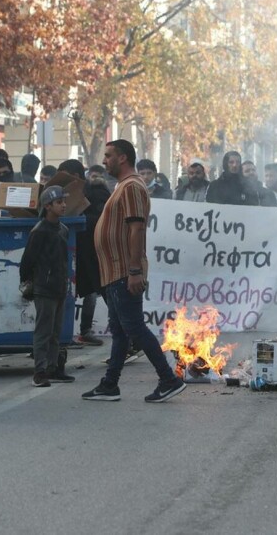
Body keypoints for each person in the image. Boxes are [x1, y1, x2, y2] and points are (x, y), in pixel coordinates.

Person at [81, 139, 186, 403]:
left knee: (135, 328)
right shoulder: (122, 187)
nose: (104, 161)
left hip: (125, 270)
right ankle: (110, 385)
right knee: (120, 330)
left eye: (108, 155)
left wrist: (135, 270)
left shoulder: (131, 187)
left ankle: (168, 379)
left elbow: (136, 228)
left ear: (123, 158)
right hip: (115, 271)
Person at [21, 185, 76, 387]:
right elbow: (28, 261)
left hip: (59, 287)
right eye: (59, 202)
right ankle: (40, 371)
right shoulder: (40, 231)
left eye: (64, 201)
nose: (63, 205)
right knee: (43, 331)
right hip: (44, 288)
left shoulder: (63, 229)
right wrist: (28, 283)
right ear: (47, 206)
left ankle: (53, 368)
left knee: (55, 332)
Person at [57, 159, 109, 346]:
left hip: (90, 250)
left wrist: (79, 217)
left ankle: (86, 329)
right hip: (69, 248)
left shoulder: (95, 192)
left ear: (76, 177)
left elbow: (103, 219)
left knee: (93, 291)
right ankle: (61, 333)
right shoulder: (59, 194)